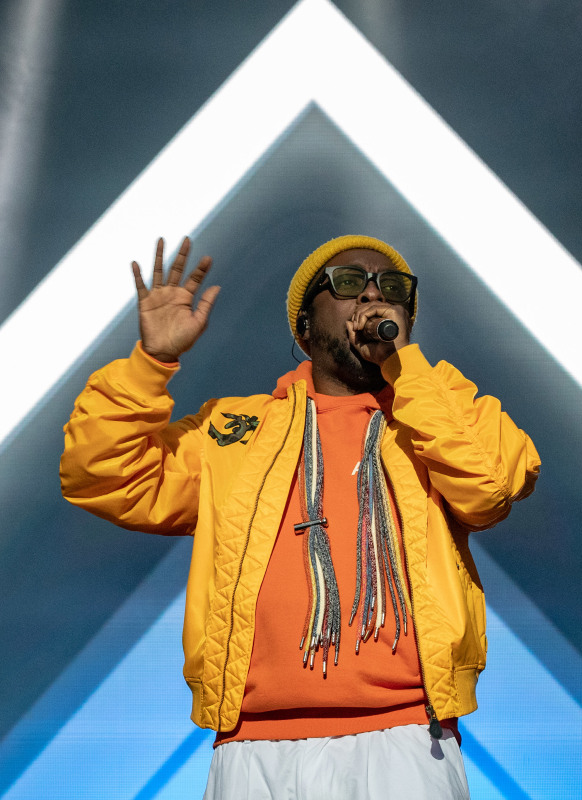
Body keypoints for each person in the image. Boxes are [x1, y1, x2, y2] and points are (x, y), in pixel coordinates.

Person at [60, 234, 540, 799]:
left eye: (391, 288)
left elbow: (492, 485)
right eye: (348, 283)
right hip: (253, 748)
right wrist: (150, 365)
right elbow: (101, 474)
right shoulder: (233, 431)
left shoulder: (436, 414)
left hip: (408, 738)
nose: (371, 296)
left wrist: (406, 367)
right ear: (304, 328)